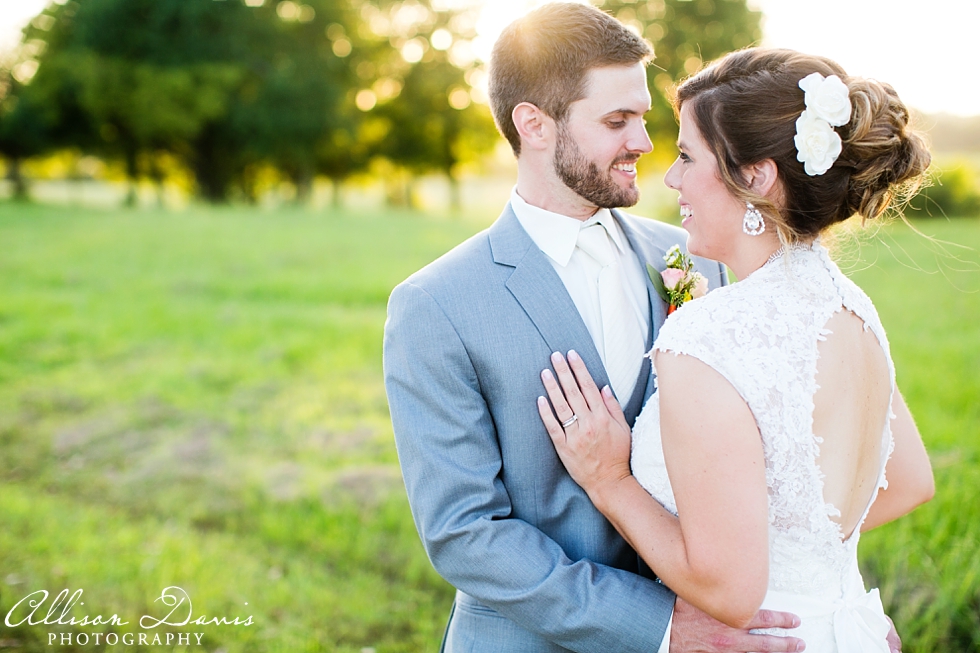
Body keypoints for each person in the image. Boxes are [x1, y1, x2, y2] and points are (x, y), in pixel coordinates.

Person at [384, 4, 811, 652]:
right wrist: (661, 626)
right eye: (618, 121)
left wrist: (833, 605)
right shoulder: (436, 306)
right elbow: (465, 534)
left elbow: (764, 457)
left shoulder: (693, 259)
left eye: (643, 117)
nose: (643, 141)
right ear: (534, 124)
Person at [538, 47, 935, 653]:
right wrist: (809, 577)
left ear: (755, 176)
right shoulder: (851, 307)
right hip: (845, 627)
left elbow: (728, 592)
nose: (670, 179)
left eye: (687, 156)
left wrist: (610, 481)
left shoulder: (707, 335)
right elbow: (909, 482)